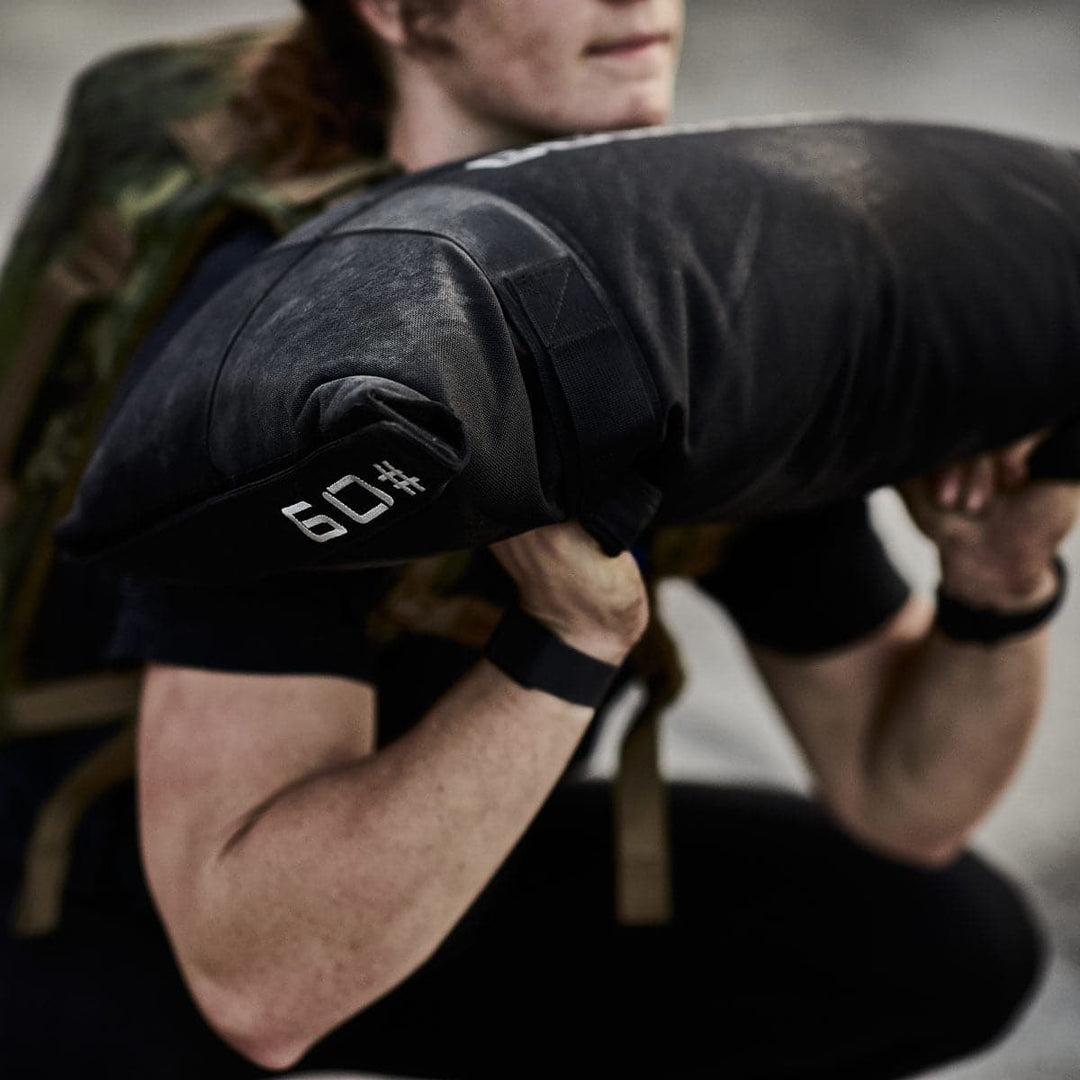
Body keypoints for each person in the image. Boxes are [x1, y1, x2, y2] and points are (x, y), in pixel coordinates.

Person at [1, 2, 1073, 1078]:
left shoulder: (679, 292)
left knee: (940, 941)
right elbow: (259, 986)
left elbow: (904, 800)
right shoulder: (293, 361)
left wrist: (1000, 580)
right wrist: (569, 635)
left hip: (447, 846)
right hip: (128, 886)